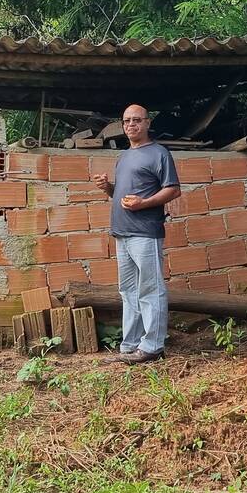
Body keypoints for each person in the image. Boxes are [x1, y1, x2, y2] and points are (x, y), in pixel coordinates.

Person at [92, 105, 181, 363]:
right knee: (128, 291)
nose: (131, 125)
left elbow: (173, 190)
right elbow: (119, 194)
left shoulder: (159, 153)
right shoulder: (124, 156)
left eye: (137, 120)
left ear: (147, 123)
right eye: (127, 121)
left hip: (145, 232)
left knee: (150, 289)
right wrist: (107, 187)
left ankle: (152, 347)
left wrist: (143, 203)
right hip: (122, 233)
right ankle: (130, 346)